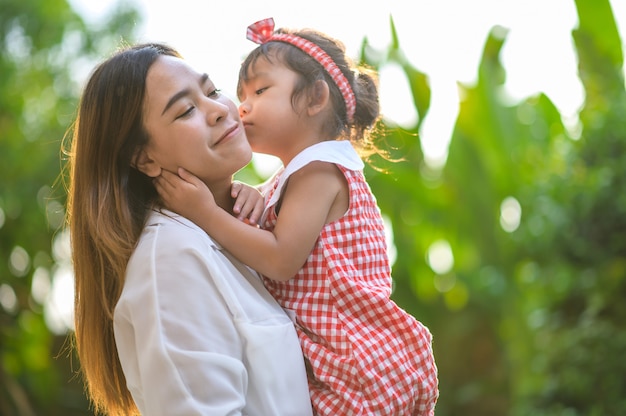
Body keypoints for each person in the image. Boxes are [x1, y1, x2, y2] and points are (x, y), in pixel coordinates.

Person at [156, 17, 439, 415]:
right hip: (336, 356)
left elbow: (280, 259)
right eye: (241, 94)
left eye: (261, 90)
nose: (243, 106)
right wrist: (253, 198)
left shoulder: (320, 172)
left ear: (314, 98)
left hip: (353, 361)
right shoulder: (297, 176)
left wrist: (205, 213)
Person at [64, 42, 313, 416]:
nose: (218, 110)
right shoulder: (170, 258)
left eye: (212, 91)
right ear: (144, 158)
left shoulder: (237, 235)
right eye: (185, 110)